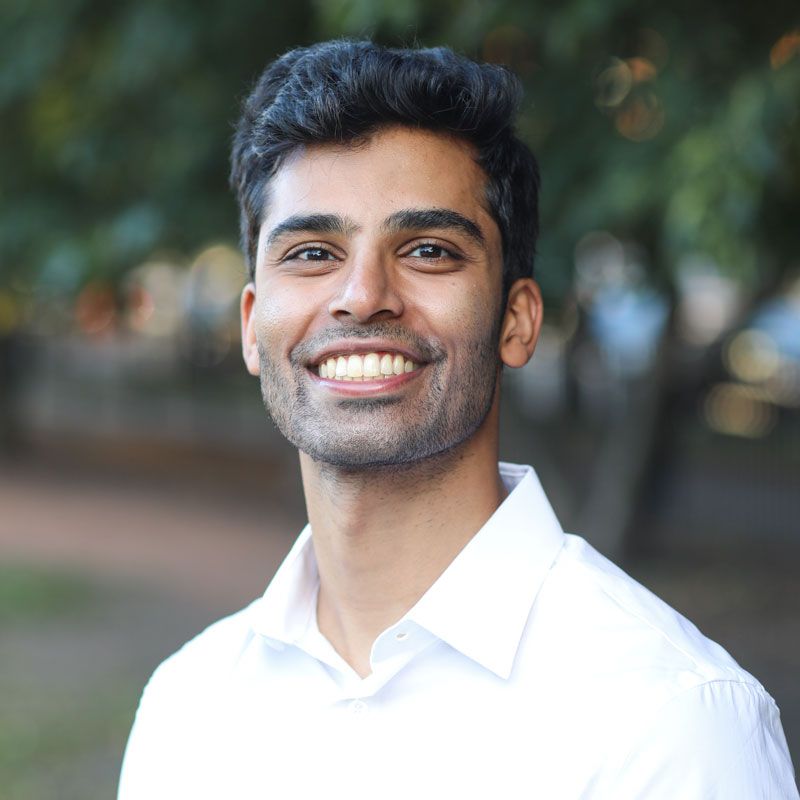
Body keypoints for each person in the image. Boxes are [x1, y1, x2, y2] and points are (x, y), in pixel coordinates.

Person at [118, 40, 798, 798]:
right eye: (312, 252)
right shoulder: (187, 705)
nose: (362, 294)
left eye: (429, 250)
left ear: (517, 320)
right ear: (252, 326)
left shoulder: (672, 724)